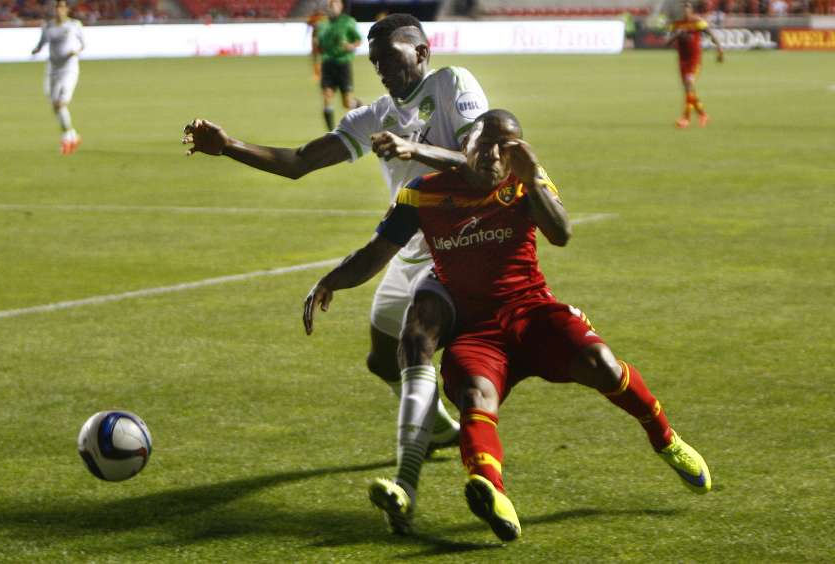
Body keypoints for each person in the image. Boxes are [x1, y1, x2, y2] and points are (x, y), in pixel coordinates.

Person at [303, 109, 712, 540]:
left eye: (507, 146)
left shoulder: (524, 184)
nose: (495, 154)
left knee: (602, 363)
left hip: (532, 313)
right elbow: (377, 252)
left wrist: (534, 178)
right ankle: (493, 494)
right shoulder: (422, 193)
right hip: (476, 331)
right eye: (486, 144)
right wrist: (330, 280)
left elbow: (561, 233)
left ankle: (666, 439)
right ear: (465, 147)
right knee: (474, 396)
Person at [182, 13, 490, 532]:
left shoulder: (452, 83)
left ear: (421, 51)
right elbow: (300, 161)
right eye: (376, 63)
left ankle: (406, 483)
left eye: (391, 58)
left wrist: (416, 149)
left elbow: (479, 163)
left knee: (415, 343)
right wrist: (229, 146)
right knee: (379, 359)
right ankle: (440, 429)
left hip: (459, 244)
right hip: (404, 248)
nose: (383, 70)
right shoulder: (375, 116)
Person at [31, 0, 85, 155]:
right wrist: (35, 50)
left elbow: (84, 44)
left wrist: (76, 51)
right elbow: (41, 44)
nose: (58, 10)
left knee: (61, 103)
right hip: (52, 70)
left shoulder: (74, 25)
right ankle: (72, 134)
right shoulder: (48, 26)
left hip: (69, 69)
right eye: (56, 7)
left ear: (66, 9)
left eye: (61, 7)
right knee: (55, 105)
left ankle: (67, 138)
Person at [665, 1, 724, 128]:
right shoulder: (676, 24)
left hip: (694, 60)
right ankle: (703, 114)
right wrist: (677, 35)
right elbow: (667, 44)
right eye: (683, 7)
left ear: (691, 9)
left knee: (689, 84)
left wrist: (719, 50)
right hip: (682, 60)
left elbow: (711, 34)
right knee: (688, 90)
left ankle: (685, 119)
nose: (685, 10)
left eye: (687, 7)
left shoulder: (697, 21)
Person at [313, 0, 362, 130]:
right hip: (327, 64)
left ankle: (359, 106)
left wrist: (351, 46)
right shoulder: (322, 24)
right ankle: (331, 132)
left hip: (343, 64)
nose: (331, 8)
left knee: (346, 103)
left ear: (340, 6)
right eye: (329, 6)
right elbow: (319, 46)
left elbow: (358, 40)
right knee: (327, 96)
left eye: (333, 5)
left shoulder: (348, 21)